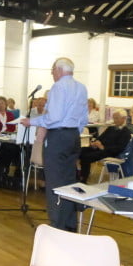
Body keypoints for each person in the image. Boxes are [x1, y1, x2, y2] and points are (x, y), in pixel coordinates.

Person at [21, 57, 88, 231]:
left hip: (58, 137)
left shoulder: (58, 87)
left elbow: (54, 117)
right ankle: (69, 223)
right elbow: (83, 118)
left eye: (52, 70)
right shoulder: (81, 87)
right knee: (69, 181)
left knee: (55, 183)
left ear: (59, 70)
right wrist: (72, 132)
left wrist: (32, 121)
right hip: (73, 136)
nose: (52, 73)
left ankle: (56, 225)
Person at [78, 109, 131, 183]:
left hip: (110, 152)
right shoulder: (111, 128)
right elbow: (100, 138)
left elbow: (119, 148)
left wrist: (103, 147)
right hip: (100, 148)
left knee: (86, 157)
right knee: (79, 151)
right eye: (114, 118)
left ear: (123, 119)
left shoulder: (125, 132)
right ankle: (77, 175)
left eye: (116, 118)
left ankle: (83, 179)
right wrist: (94, 142)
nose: (114, 120)